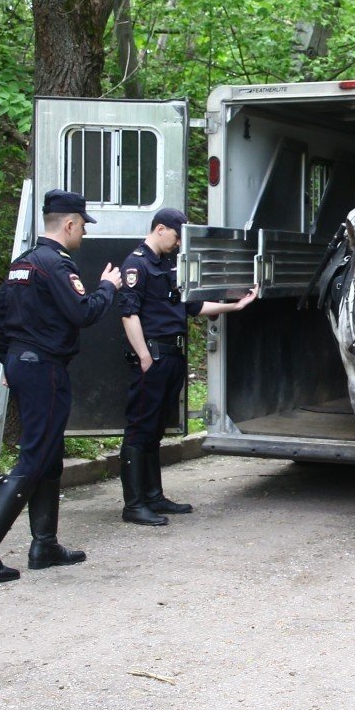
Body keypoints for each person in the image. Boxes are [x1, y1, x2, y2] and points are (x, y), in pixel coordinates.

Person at [0, 189, 122, 582]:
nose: (83, 232)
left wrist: (11, 360)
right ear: (68, 224)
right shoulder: (56, 265)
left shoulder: (23, 264)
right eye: (82, 225)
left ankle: (44, 544)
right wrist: (108, 287)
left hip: (26, 364)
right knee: (35, 455)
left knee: (48, 454)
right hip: (45, 367)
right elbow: (83, 312)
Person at [117, 207, 256, 525]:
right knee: (139, 429)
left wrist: (236, 305)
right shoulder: (136, 264)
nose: (179, 244)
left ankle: (153, 497)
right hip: (152, 357)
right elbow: (129, 313)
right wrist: (144, 357)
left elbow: (192, 305)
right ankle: (134, 504)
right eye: (177, 237)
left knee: (153, 431)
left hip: (172, 356)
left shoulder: (167, 265)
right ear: (161, 229)